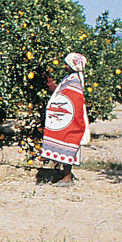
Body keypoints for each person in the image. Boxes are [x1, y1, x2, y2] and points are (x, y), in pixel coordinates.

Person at [39, 52, 91, 184]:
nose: (64, 66)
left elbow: (68, 100)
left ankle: (67, 177)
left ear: (73, 66)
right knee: (65, 144)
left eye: (67, 64)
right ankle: (63, 174)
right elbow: (59, 92)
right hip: (69, 118)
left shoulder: (74, 81)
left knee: (68, 144)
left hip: (71, 119)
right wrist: (48, 81)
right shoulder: (71, 77)